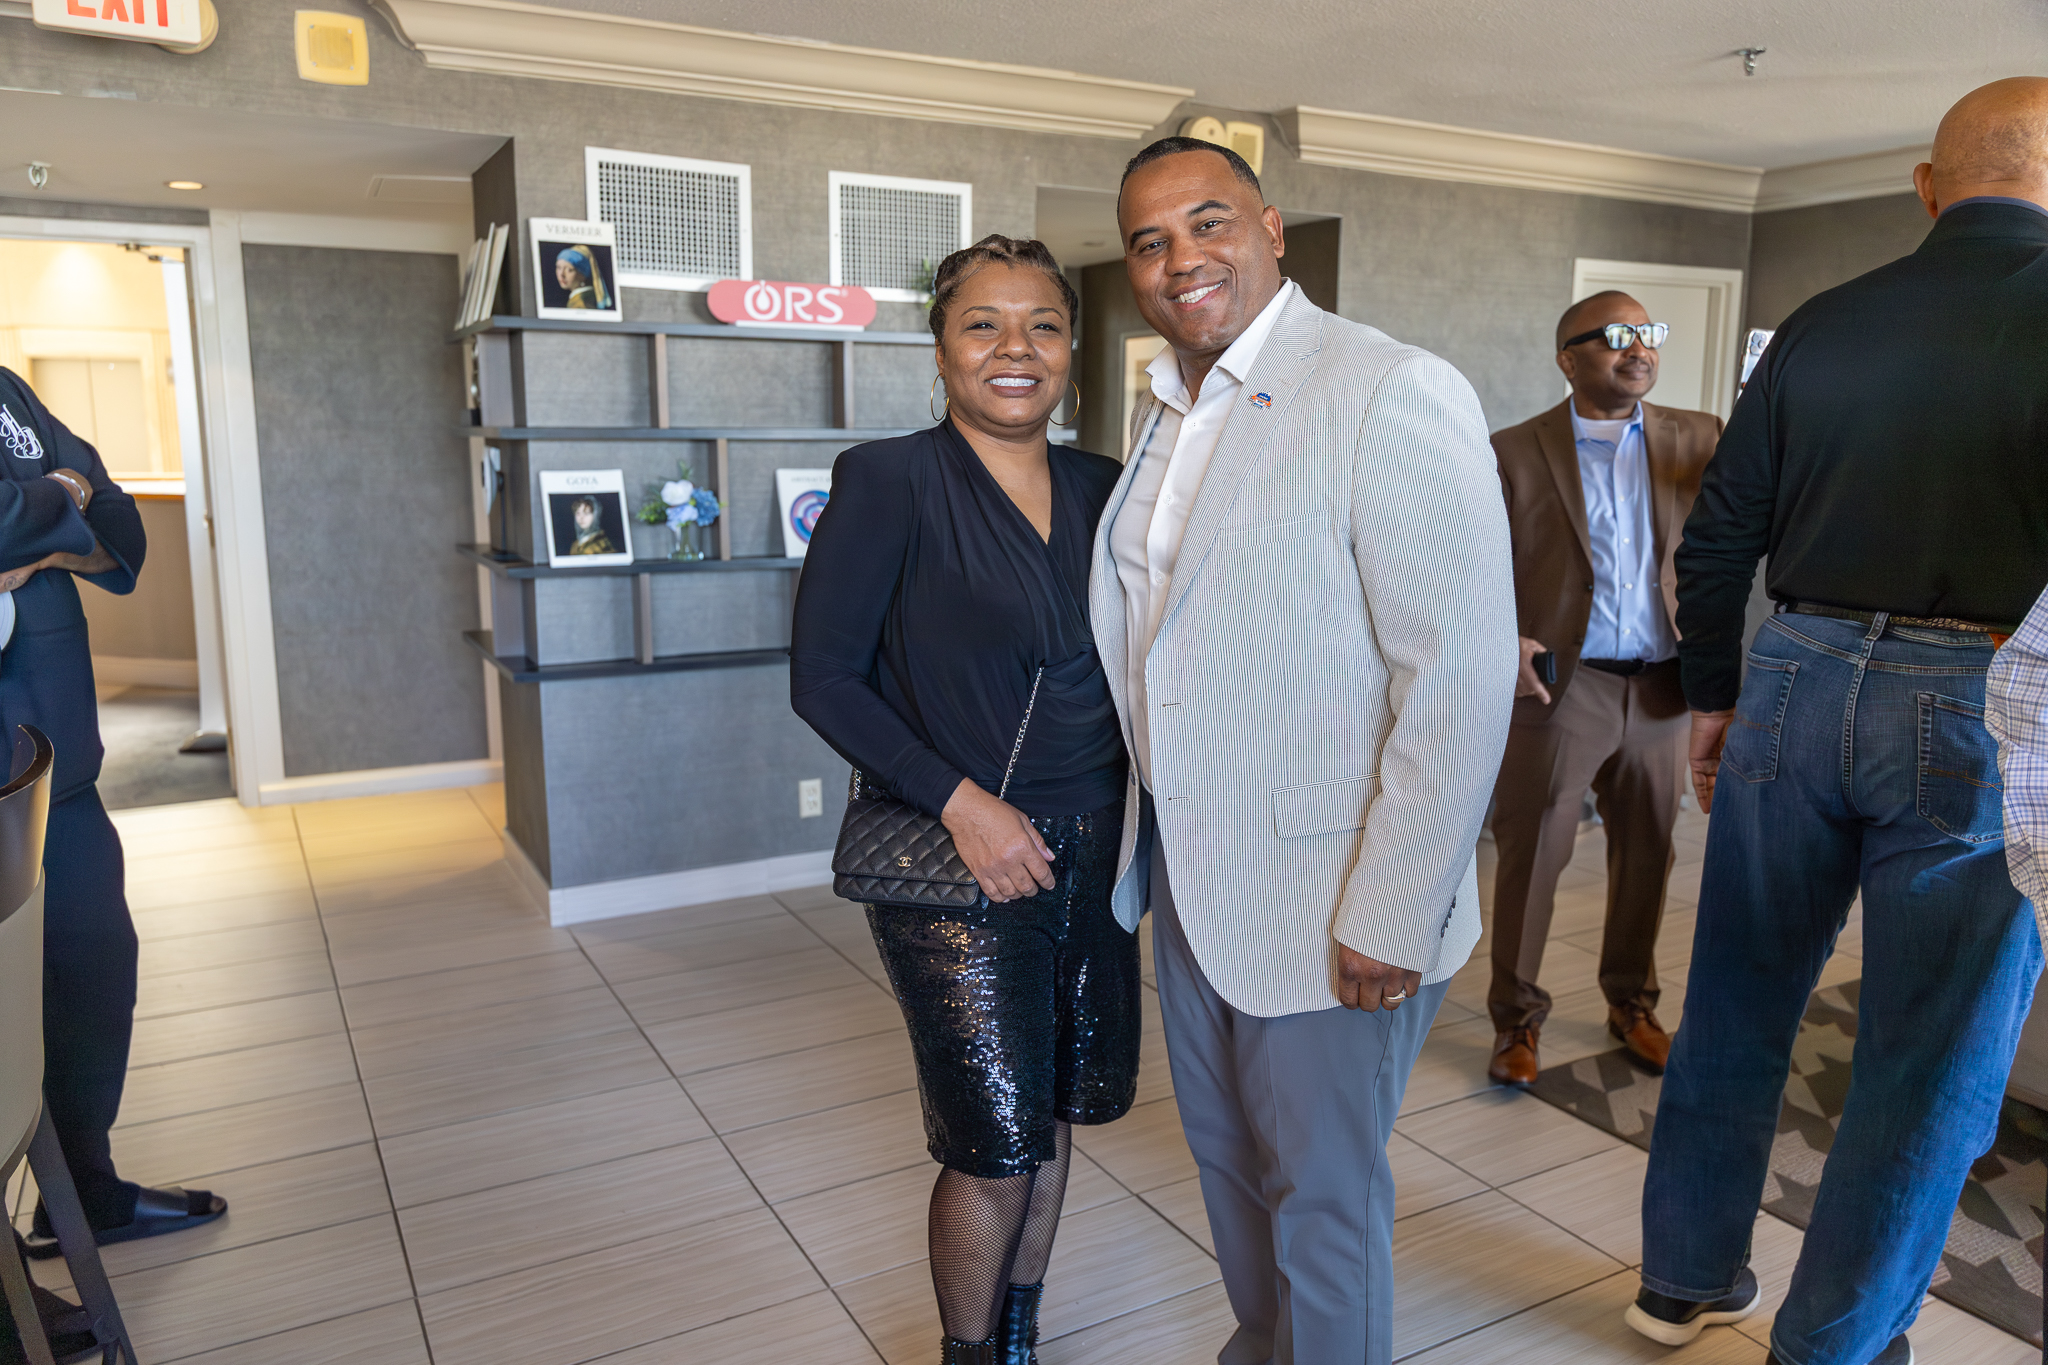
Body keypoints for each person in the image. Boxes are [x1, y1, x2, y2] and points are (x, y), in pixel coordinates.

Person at [1630, 77, 2048, 1365]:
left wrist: (1714, 695)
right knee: (1925, 1054)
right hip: (1979, 691)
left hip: (1792, 672)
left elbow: (1717, 538)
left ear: (1925, 190)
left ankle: (1680, 1284)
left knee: (1735, 997)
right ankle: (1834, 1344)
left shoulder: (1817, 322)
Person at [1093, 137, 1515, 1365]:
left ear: (1270, 229)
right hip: (1187, 872)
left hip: (1333, 891)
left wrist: (1393, 905)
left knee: (1322, 1195)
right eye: (1148, 242)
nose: (1180, 258)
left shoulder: (1386, 386)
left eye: (1207, 222)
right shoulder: (1166, 408)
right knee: (1227, 1162)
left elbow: (1458, 672)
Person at [790, 235, 1136, 1365]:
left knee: (1055, 1113)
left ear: (1072, 349)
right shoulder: (889, 479)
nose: (1014, 348)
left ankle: (1020, 1336)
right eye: (982, 323)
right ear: (939, 350)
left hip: (1098, 844)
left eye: (1042, 324)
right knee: (992, 1140)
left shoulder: (1105, 486)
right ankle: (969, 1354)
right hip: (961, 861)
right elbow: (822, 678)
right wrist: (963, 803)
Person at [0, 371, 226, 1332]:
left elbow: (119, 522)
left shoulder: (9, 390)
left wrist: (48, 517)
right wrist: (57, 505)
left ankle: (83, 1193)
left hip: (63, 771)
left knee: (96, 972)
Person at [1484, 293, 1722, 1085]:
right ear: (1569, 357)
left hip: (1662, 688)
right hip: (1563, 686)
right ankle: (1517, 1020)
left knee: (1649, 851)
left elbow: (1741, 536)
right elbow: (1472, 563)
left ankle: (1633, 1005)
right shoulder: (1512, 450)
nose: (1639, 349)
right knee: (1535, 855)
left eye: (1648, 334)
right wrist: (1503, 637)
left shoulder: (1701, 437)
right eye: (1618, 337)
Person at [554, 245, 610, 311]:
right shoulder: (580, 297)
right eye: (559, 267)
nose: (561, 274)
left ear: (583, 274)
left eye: (569, 269)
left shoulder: (581, 303)